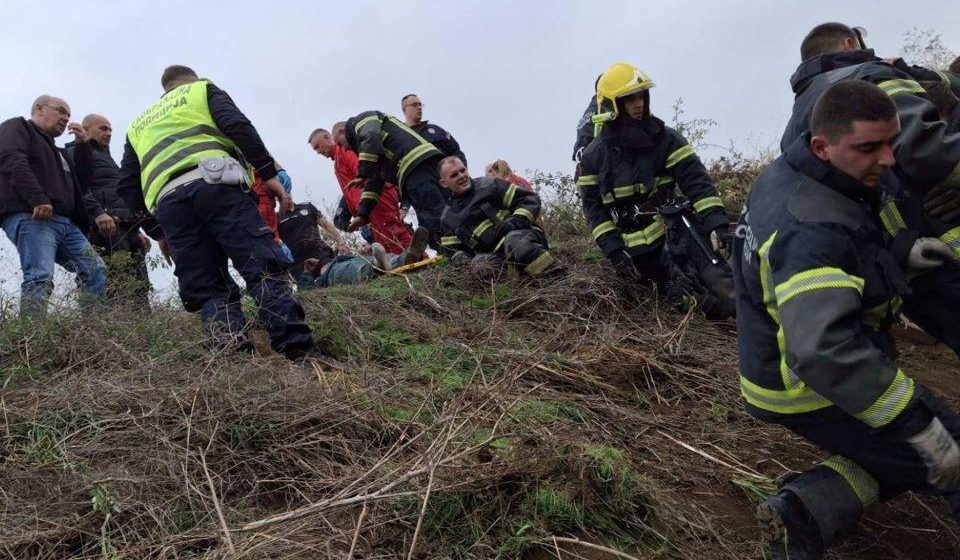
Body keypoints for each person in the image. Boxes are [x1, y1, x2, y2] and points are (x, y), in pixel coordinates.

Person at [734, 81, 960, 560]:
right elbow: (822, 350)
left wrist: (902, 252)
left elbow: (853, 245)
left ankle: (805, 514)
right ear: (823, 144)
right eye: (869, 147)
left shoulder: (804, 174)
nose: (889, 159)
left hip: (782, 361)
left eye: (891, 142)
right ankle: (805, 517)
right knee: (946, 453)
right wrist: (915, 420)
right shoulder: (809, 228)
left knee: (899, 457)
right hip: (804, 381)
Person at [781, 22, 960, 356]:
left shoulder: (793, 128)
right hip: (946, 250)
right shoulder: (866, 76)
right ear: (850, 43)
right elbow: (930, 150)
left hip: (902, 271)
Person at [116, 65, 318, 359]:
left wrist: (159, 231)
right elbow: (238, 126)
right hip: (218, 186)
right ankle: (299, 351)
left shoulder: (137, 125)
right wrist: (267, 173)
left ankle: (231, 358)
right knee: (261, 267)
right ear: (191, 80)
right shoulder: (202, 90)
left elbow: (127, 185)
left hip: (170, 204)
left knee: (209, 287)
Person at [576, 62, 735, 319]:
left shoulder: (665, 139)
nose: (639, 104)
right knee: (686, 303)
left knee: (724, 288)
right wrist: (615, 252)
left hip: (675, 231)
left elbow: (696, 182)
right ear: (613, 106)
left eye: (641, 96)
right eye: (630, 99)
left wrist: (718, 224)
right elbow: (593, 209)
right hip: (634, 250)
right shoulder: (594, 156)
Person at [0, 95, 112, 318]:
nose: (66, 118)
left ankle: (94, 329)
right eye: (61, 111)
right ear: (39, 109)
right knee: (40, 275)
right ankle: (32, 339)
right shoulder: (18, 127)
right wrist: (38, 198)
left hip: (66, 223)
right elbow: (12, 160)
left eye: (68, 115)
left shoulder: (58, 152)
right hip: (33, 216)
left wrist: (82, 147)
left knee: (94, 268)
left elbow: (81, 182)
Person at [65, 114, 152, 309]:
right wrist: (98, 213)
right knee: (110, 282)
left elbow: (118, 195)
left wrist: (137, 230)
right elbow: (78, 188)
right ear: (86, 130)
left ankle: (141, 334)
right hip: (103, 229)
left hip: (125, 228)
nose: (109, 133)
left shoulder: (108, 158)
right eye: (103, 128)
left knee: (139, 285)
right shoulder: (75, 152)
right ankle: (103, 330)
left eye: (111, 129)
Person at [438, 156, 564, 278]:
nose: (461, 176)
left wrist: (515, 222)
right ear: (444, 183)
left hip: (523, 235)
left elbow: (528, 200)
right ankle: (517, 276)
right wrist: (464, 261)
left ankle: (555, 277)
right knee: (480, 265)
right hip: (494, 255)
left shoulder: (490, 185)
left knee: (515, 240)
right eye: (454, 175)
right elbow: (452, 251)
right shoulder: (448, 218)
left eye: (462, 170)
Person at [341, 110, 447, 249]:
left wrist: (363, 173)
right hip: (425, 163)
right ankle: (453, 250)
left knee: (432, 215)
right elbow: (375, 181)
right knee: (442, 209)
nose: (345, 148)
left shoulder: (361, 120)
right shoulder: (375, 150)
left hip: (413, 166)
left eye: (342, 144)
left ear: (342, 132)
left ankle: (451, 252)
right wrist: (363, 214)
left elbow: (371, 136)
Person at [308, 126, 413, 254]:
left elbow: (364, 172)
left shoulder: (344, 150)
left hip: (377, 197)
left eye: (318, 146)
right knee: (384, 239)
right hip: (370, 205)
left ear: (327, 138)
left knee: (393, 231)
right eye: (315, 150)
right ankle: (402, 261)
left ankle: (419, 258)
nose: (318, 151)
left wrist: (366, 203)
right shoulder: (338, 160)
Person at [401, 94, 466, 164]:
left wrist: (462, 170)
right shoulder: (401, 136)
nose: (419, 107)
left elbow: (456, 151)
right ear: (404, 109)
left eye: (420, 105)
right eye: (415, 105)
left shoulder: (435, 130)